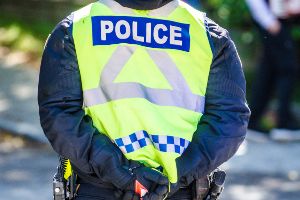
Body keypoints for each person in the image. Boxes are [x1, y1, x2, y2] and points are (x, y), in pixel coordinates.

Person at [38, 0, 250, 199]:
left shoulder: (75, 28)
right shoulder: (209, 35)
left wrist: (123, 174)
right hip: (180, 190)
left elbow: (59, 114)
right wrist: (173, 177)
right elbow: (228, 120)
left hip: (98, 188)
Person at [246, 0, 300, 141]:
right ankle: (283, 123)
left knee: (267, 72)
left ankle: (254, 122)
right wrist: (268, 21)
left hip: (276, 20)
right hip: (272, 22)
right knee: (288, 69)